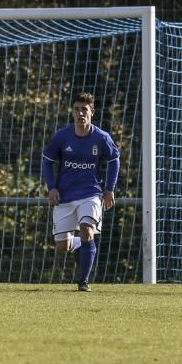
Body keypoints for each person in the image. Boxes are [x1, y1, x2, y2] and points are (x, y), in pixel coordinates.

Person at [41, 91, 120, 292]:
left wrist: (109, 189)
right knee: (61, 247)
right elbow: (47, 162)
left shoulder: (102, 138)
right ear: (72, 112)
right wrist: (51, 187)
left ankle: (83, 281)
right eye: (76, 109)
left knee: (86, 228)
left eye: (84, 109)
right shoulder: (62, 136)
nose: (80, 113)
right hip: (65, 196)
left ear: (92, 112)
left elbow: (114, 160)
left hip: (91, 194)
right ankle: (78, 243)